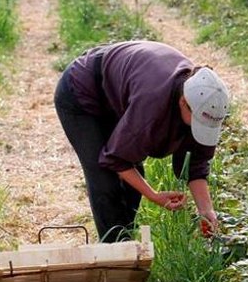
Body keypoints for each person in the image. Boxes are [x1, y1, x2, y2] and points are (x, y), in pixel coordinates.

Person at [54, 41, 230, 242]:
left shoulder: (204, 103)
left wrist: (206, 210)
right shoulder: (152, 107)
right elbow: (116, 159)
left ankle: (125, 241)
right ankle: (114, 252)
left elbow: (196, 163)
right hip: (82, 92)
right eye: (198, 122)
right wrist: (153, 195)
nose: (201, 127)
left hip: (120, 93)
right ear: (183, 102)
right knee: (106, 181)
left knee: (132, 182)